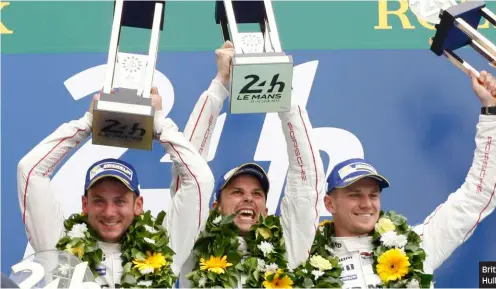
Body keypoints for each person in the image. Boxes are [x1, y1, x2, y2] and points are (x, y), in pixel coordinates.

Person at [305, 70, 496, 288]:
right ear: (329, 203)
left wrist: (491, 111)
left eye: (373, 195)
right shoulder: (306, 263)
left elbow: (476, 197)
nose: (367, 204)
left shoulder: (415, 246)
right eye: (355, 195)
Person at [16, 88, 214, 288]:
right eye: (99, 201)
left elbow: (200, 179)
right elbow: (30, 171)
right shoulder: (59, 249)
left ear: (138, 205)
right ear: (85, 204)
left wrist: (160, 124)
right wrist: (87, 122)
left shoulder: (167, 249)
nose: (109, 212)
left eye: (120, 201)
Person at [172, 41, 325, 288]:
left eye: (257, 194)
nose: (248, 199)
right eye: (236, 192)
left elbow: (308, 182)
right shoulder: (194, 245)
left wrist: (283, 91)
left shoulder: (288, 248)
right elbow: (187, 172)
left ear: (265, 211)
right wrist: (220, 84)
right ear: (214, 207)